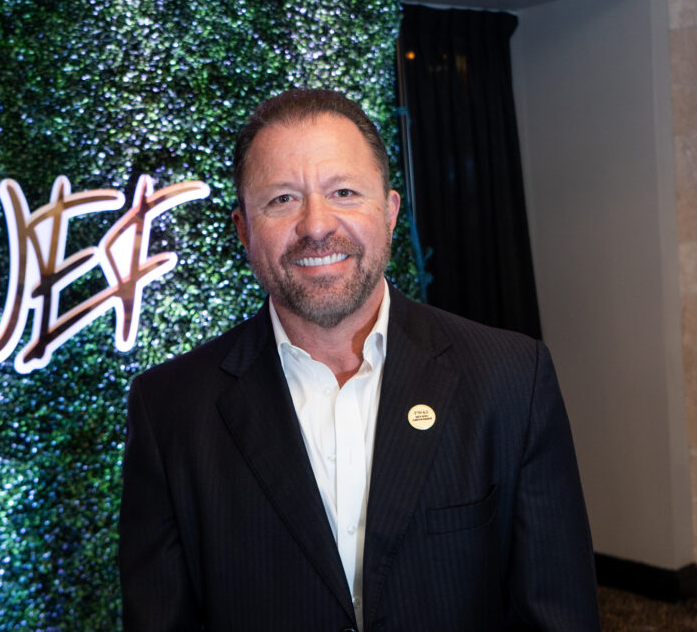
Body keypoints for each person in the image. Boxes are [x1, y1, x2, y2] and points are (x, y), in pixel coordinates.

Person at [118, 88, 599, 631]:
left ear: (389, 211)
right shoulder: (171, 410)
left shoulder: (512, 378)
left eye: (344, 191)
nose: (317, 225)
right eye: (282, 199)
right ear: (244, 230)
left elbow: (559, 614)